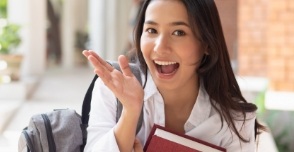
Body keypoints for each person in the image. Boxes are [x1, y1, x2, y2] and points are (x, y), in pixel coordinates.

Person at [83, 0, 265, 151]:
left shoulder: (234, 121)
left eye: (179, 32)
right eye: (152, 30)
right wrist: (130, 112)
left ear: (207, 44)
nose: (160, 47)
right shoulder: (114, 90)